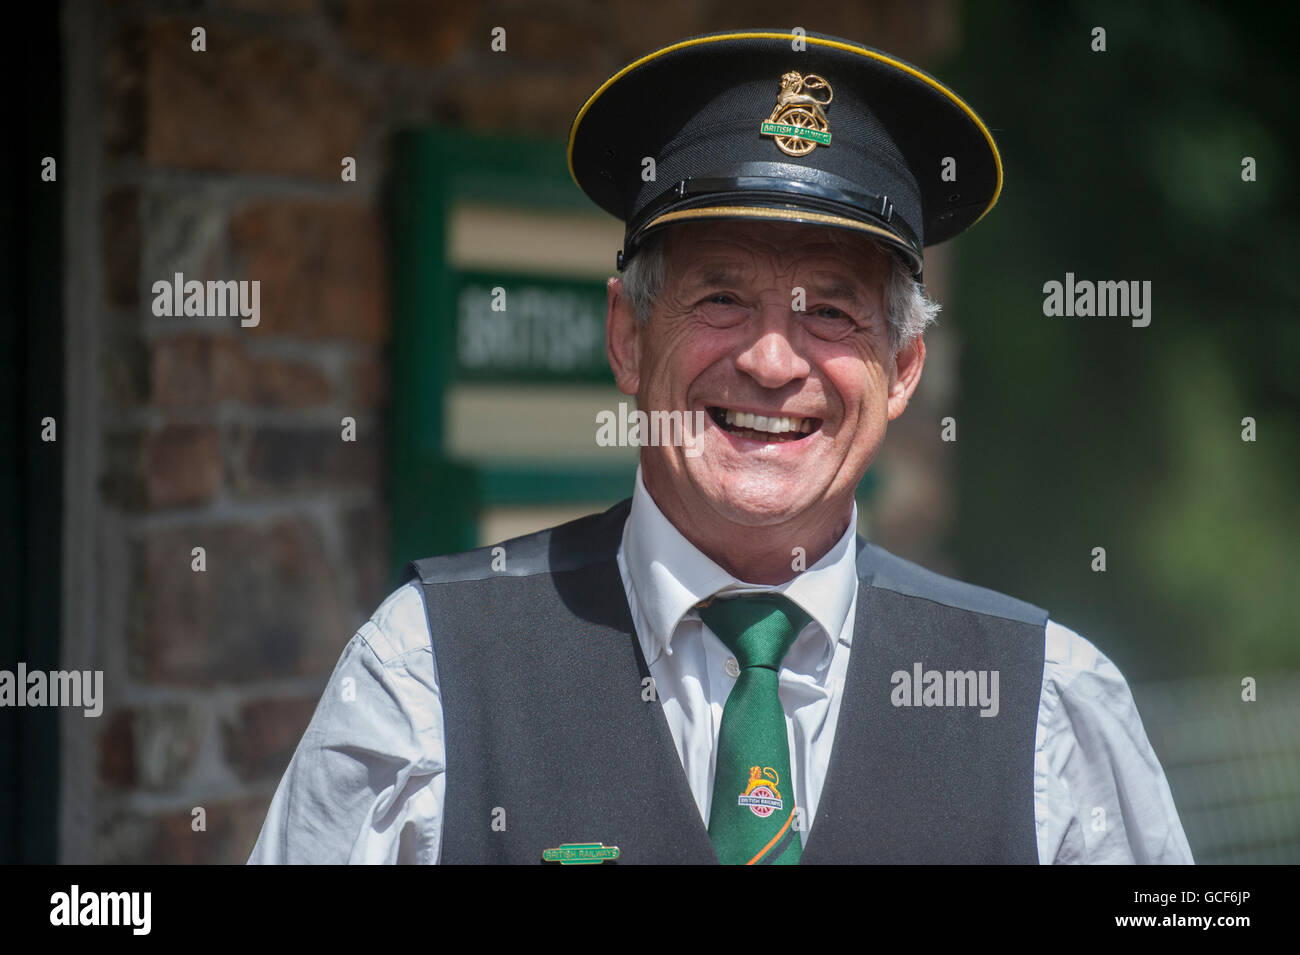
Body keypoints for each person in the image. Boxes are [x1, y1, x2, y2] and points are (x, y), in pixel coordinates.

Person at [249, 29, 1192, 865]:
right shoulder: (423, 674)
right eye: (720, 298)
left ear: (903, 368)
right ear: (627, 336)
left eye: (831, 310)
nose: (775, 361)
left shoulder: (1045, 703)